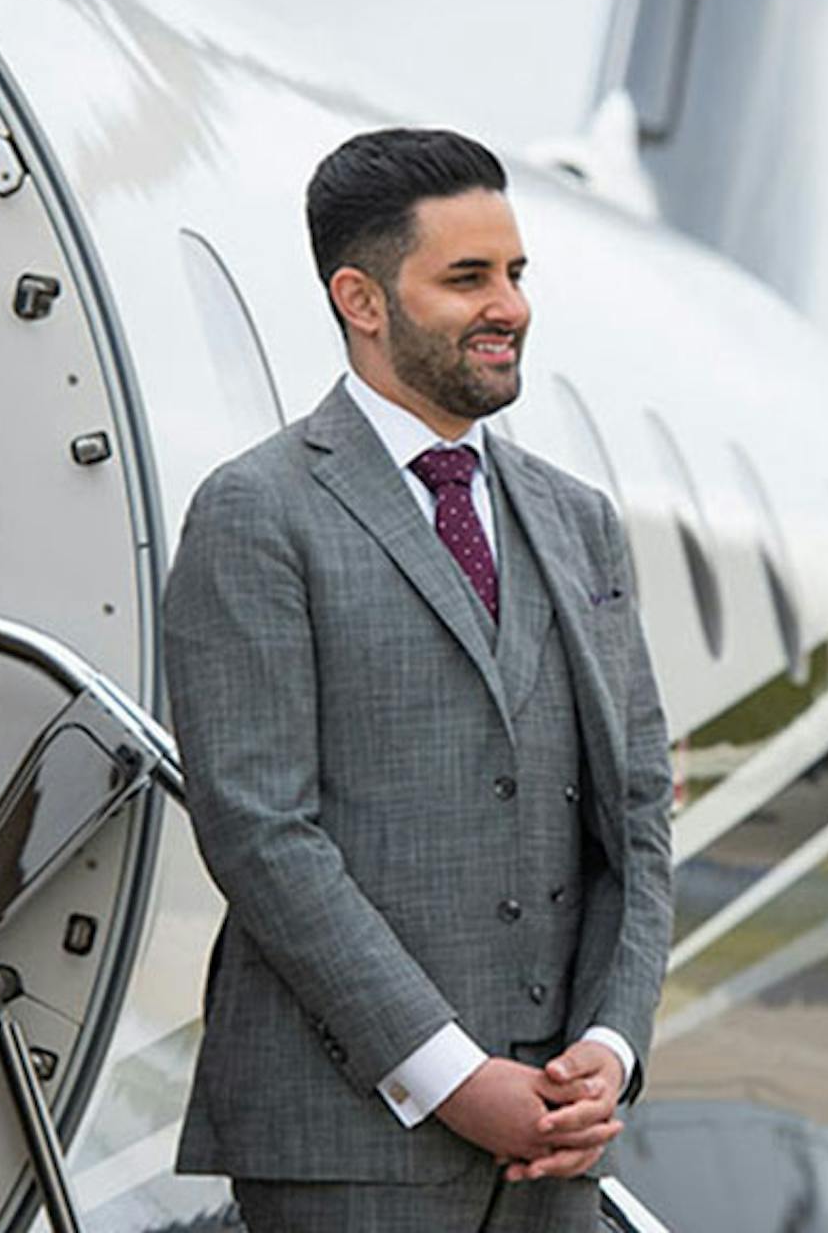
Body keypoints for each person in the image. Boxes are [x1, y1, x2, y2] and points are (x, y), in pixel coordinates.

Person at [162, 127, 674, 1231]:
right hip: (346, 1148)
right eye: (468, 277)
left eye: (516, 272)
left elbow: (636, 815)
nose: (511, 306)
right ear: (362, 297)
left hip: (555, 1151)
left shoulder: (580, 521)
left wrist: (611, 1045)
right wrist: (449, 1075)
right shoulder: (256, 512)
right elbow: (261, 833)